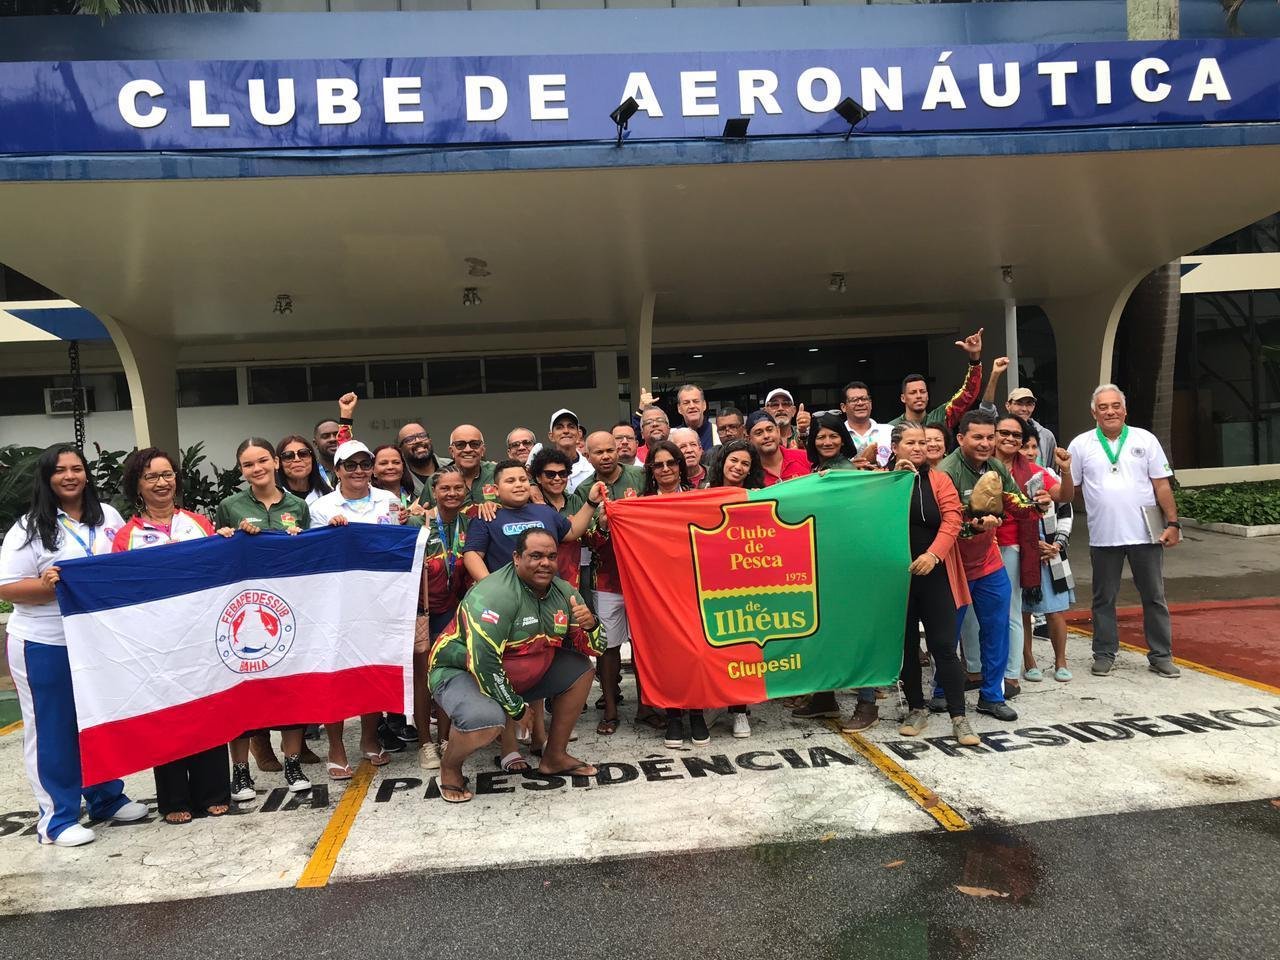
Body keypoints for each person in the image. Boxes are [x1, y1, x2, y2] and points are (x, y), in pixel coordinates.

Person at [0, 444, 149, 847]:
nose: (70, 476)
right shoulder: (29, 527)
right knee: (53, 729)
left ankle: (104, 797)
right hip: (44, 643)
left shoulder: (109, 519)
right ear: (47, 478)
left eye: (77, 469)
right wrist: (46, 585)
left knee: (96, 719)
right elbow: (8, 587)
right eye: (60, 470)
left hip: (96, 641)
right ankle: (57, 818)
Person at [428, 529, 605, 803]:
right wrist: (517, 708)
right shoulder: (494, 595)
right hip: (461, 671)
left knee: (581, 670)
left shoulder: (564, 592)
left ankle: (554, 757)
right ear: (516, 558)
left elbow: (595, 649)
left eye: (550, 556)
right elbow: (485, 664)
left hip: (521, 670)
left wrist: (591, 624)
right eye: (535, 556)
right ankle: (450, 767)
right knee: (486, 722)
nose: (544, 563)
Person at [112, 448, 231, 824]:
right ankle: (173, 798)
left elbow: (221, 573)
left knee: (208, 711)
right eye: (151, 477)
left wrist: (230, 543)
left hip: (201, 640)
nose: (162, 483)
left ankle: (214, 791)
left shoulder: (198, 524)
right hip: (155, 645)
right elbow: (118, 590)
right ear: (137, 485)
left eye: (167, 475)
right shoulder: (126, 537)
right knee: (166, 718)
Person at [214, 438, 313, 799]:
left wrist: (300, 540)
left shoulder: (298, 505)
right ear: (241, 470)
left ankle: (292, 763)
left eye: (261, 461)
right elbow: (220, 557)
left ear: (275, 462)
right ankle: (241, 773)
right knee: (242, 691)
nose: (256, 469)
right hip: (244, 608)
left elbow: (307, 558)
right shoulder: (229, 506)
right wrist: (227, 536)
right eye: (247, 465)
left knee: (290, 687)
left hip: (286, 608)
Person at [935, 410, 1050, 721]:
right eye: (978, 437)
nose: (986, 443)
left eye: (990, 437)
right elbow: (947, 524)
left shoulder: (996, 466)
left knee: (996, 629)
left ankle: (991, 695)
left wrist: (1036, 506)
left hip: (989, 563)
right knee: (948, 634)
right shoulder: (946, 472)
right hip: (954, 566)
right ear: (960, 439)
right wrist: (975, 526)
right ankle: (941, 692)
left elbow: (1014, 501)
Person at [1067, 384, 1181, 679]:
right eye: (1103, 407)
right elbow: (1073, 487)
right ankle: (1104, 653)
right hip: (1104, 535)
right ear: (1094, 412)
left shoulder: (1145, 439)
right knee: (1103, 599)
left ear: (1125, 409)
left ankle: (1161, 655)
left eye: (1115, 405)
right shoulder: (1080, 444)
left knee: (1154, 596)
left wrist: (1173, 523)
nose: (1110, 411)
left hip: (1146, 534)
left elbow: (1161, 484)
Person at [309, 439, 404, 777]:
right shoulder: (321, 507)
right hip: (335, 603)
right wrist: (331, 535)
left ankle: (368, 739)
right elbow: (314, 557)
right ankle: (336, 745)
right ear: (337, 470)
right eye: (351, 465)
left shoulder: (390, 500)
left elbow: (396, 545)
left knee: (372, 669)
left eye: (365, 464)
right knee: (335, 673)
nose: (359, 471)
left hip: (378, 598)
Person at [880, 425, 980, 745]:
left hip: (935, 575)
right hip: (898, 580)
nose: (919, 448)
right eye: (911, 443)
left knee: (944, 647)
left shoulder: (940, 479)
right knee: (907, 648)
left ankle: (959, 717)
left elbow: (953, 520)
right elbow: (872, 517)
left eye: (922, 442)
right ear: (896, 447)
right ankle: (916, 709)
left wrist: (934, 555)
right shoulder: (882, 481)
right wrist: (893, 480)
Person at [990, 414, 1074, 697]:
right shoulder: (978, 464)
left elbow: (1064, 496)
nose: (1011, 439)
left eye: (1017, 436)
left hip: (1013, 546)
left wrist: (1066, 470)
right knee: (978, 614)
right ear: (994, 434)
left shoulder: (1036, 471)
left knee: (1012, 611)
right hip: (978, 545)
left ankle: (1011, 675)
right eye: (1005, 433)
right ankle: (977, 670)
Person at [577, 432, 649, 735]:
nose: (606, 456)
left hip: (645, 578)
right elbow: (582, 537)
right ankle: (609, 707)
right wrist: (602, 526)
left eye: (610, 449)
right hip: (606, 579)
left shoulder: (641, 476)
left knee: (644, 645)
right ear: (588, 455)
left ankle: (647, 706)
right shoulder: (584, 490)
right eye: (598, 452)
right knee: (607, 648)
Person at [706, 439, 768, 739]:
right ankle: (716, 702)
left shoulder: (756, 496)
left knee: (743, 646)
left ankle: (741, 711)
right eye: (734, 460)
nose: (738, 467)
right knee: (714, 647)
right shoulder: (702, 494)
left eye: (745, 463)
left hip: (745, 582)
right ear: (723, 461)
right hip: (710, 580)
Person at [414, 464, 472, 770]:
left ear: (466, 490)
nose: (451, 493)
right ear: (434, 492)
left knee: (447, 676)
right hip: (421, 614)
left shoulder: (472, 523)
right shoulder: (417, 523)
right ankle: (425, 742)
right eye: (444, 488)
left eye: (457, 488)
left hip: (453, 611)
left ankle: (446, 737)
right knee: (424, 679)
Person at [1019, 432, 1075, 683]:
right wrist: (1030, 545)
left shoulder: (1049, 476)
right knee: (1022, 612)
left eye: (1033, 446)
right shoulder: (1010, 477)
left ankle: (1060, 661)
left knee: (1056, 610)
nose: (1030, 451)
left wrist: (1058, 544)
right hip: (1022, 555)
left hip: (1052, 553)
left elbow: (1065, 510)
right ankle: (1029, 660)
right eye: (1024, 447)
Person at [890, 327, 985, 430]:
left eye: (922, 391)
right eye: (913, 392)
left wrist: (975, 359)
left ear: (927, 395)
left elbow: (968, 394)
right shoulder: (891, 428)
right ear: (903, 398)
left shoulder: (940, 418)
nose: (919, 396)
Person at [978, 356, 1059, 469]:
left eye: (1029, 404)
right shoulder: (997, 426)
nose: (1024, 409)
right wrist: (995, 374)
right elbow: (986, 408)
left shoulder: (1046, 435)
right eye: (1019, 403)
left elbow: (1051, 469)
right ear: (1008, 405)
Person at [529, 448, 586, 588]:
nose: (557, 478)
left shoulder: (575, 501)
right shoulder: (529, 504)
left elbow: (590, 535)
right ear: (538, 478)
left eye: (563, 474)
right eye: (550, 474)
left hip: (573, 577)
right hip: (538, 578)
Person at [418, 425, 497, 509]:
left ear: (483, 450)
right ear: (452, 451)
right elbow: (421, 514)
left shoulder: (497, 473)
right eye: (460, 445)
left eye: (474, 444)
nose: (468, 450)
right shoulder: (436, 479)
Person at [746, 410, 811, 486]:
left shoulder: (805, 457)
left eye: (770, 430)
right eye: (759, 433)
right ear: (749, 439)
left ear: (778, 431)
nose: (766, 436)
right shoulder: (748, 472)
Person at [839, 381, 891, 466]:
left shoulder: (889, 431)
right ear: (843, 407)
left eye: (864, 399)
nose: (860, 403)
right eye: (854, 400)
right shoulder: (837, 435)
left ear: (871, 403)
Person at [396, 422, 452, 497]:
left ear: (430, 440)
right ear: (401, 450)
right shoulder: (399, 478)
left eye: (422, 436)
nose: (418, 441)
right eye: (410, 439)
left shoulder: (452, 466)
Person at [546, 409, 595, 493]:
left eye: (571, 427)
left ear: (579, 434)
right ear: (551, 436)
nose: (566, 431)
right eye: (559, 427)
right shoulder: (542, 469)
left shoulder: (591, 470)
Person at [276, 434, 331, 505]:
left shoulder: (327, 495)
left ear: (312, 459)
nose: (297, 459)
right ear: (279, 463)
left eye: (303, 454)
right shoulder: (272, 496)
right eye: (288, 456)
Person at [675, 384, 719, 451]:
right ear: (679, 409)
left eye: (696, 401)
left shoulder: (718, 432)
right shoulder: (672, 436)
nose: (692, 406)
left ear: (704, 405)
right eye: (686, 403)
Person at [313, 418, 343, 486]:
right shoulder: (310, 473)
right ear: (315, 444)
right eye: (325, 436)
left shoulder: (356, 470)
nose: (333, 439)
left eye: (337, 435)